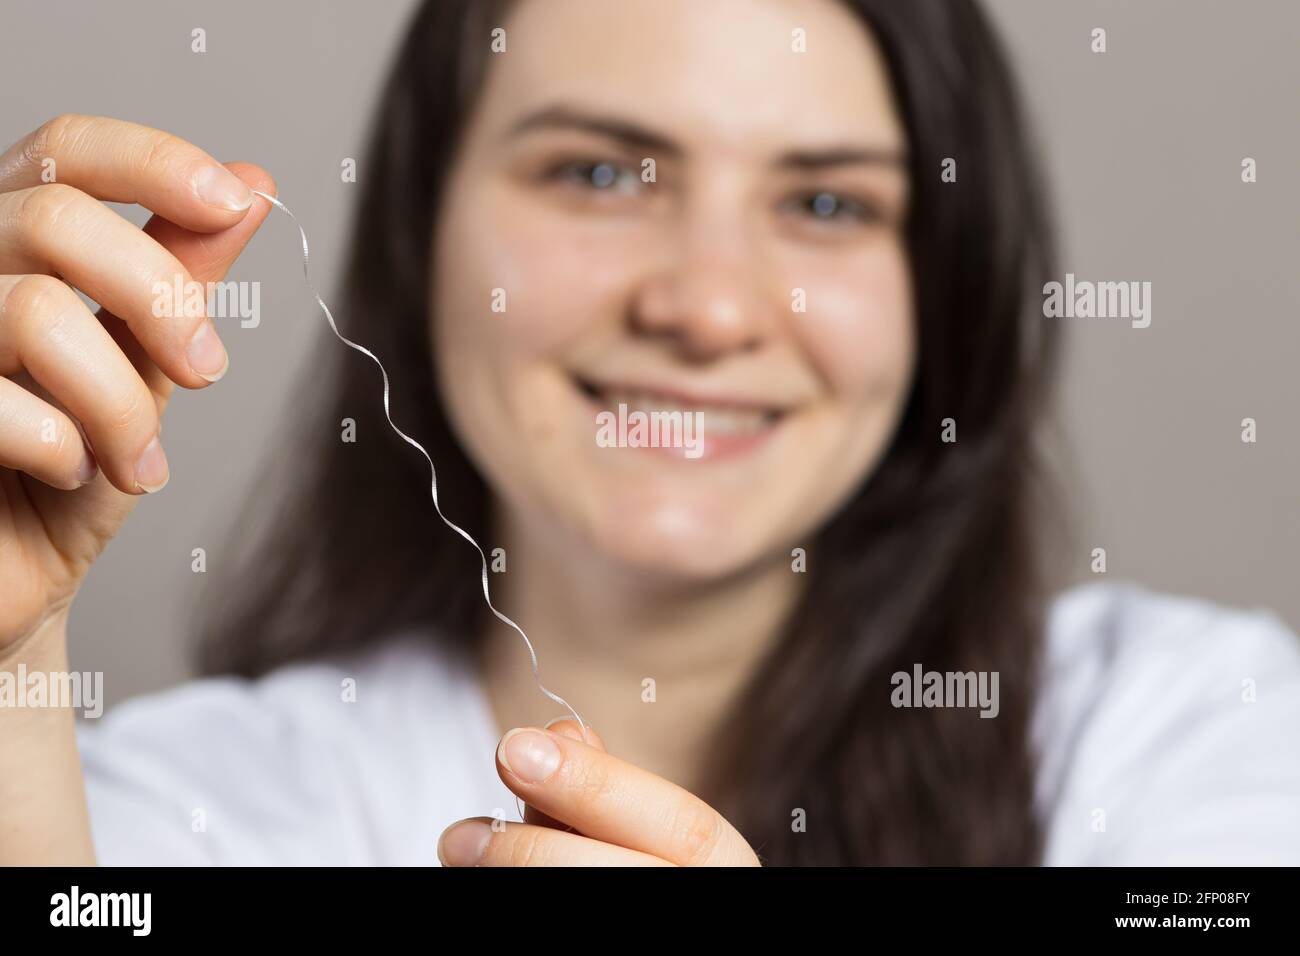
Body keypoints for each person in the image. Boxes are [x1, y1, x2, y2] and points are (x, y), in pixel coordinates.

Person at [0, 0, 1296, 867]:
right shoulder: (172, 810)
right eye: (600, 173)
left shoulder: (1190, 732)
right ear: (420, 234)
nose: (708, 306)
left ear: (944, 285)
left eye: (831, 202)